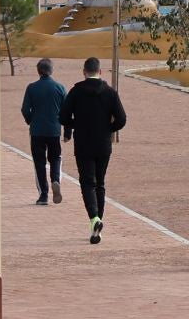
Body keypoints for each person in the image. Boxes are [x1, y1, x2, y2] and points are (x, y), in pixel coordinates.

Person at [62, 56, 127, 245]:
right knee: (100, 183)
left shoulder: (75, 92)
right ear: (100, 72)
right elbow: (122, 119)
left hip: (83, 143)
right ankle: (97, 223)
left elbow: (63, 117)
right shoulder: (110, 93)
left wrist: (77, 125)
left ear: (84, 72)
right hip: (103, 144)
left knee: (87, 182)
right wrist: (108, 129)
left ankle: (94, 218)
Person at [21, 57, 68, 205]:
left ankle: (43, 195)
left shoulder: (31, 88)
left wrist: (31, 120)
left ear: (38, 71)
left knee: (39, 163)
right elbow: (67, 112)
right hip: (54, 130)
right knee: (56, 158)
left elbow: (24, 109)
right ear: (51, 70)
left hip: (36, 131)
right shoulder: (60, 88)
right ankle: (55, 179)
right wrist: (67, 132)